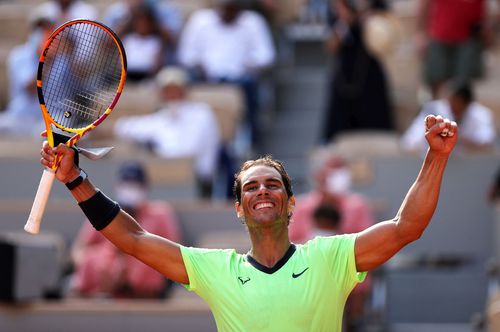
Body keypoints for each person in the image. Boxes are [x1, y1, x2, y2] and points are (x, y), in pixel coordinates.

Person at [40, 114, 457, 331]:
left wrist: (436, 157)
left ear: (292, 204)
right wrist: (75, 179)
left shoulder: (332, 257)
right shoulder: (217, 270)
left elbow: (407, 227)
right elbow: (132, 238)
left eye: (272, 185)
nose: (261, 191)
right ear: (238, 208)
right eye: (251, 187)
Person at [289, 151, 375, 331]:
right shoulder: (302, 205)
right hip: (308, 274)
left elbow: (369, 245)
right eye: (334, 168)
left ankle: (352, 322)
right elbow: (290, 244)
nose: (339, 174)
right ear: (319, 175)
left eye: (341, 168)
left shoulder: (357, 205)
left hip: (347, 273)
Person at [70, 161, 181, 298]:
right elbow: (80, 249)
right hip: (104, 277)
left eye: (135, 184)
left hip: (144, 282)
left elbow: (173, 252)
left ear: (145, 187)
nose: (130, 189)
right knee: (92, 259)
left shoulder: (160, 213)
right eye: (126, 184)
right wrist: (103, 266)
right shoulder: (104, 211)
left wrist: (130, 265)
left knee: (148, 263)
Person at [177, 0, 276, 149]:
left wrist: (249, 64)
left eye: (232, 8)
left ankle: (253, 137)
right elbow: (186, 55)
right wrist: (199, 65)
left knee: (250, 84)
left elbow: (266, 55)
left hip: (240, 79)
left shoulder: (253, 21)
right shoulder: (200, 20)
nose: (228, 12)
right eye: (225, 8)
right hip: (206, 79)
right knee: (186, 83)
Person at [113, 66, 221, 198]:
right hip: (165, 182)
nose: (171, 94)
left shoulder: (202, 113)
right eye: (166, 90)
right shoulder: (161, 118)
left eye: (175, 89)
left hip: (199, 185)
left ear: (184, 90)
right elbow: (125, 127)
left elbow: (186, 152)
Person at [321, 0, 394, 143]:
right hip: (345, 77)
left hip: (370, 75)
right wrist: (345, 21)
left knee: (376, 134)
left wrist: (370, 18)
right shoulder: (338, 7)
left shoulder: (376, 5)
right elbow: (331, 47)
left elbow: (387, 38)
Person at [415, 0, 500, 99]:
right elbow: (425, 4)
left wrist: (491, 28)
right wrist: (420, 33)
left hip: (469, 39)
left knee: (463, 84)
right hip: (440, 36)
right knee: (436, 81)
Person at [0, 7, 55, 137]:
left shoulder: (62, 56)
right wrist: (46, 61)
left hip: (50, 120)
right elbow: (30, 88)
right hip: (19, 118)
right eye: (39, 29)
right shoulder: (18, 55)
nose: (42, 34)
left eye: (46, 29)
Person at [401, 83, 496, 153]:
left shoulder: (481, 114)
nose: (452, 106)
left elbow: (487, 140)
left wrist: (458, 140)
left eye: (458, 102)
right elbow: (410, 141)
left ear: (467, 103)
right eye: (451, 101)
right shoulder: (433, 110)